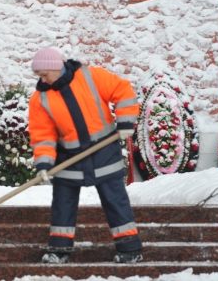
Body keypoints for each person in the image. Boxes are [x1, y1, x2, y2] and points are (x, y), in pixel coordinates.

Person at [28, 48, 142, 264]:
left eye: (45, 74)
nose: (42, 79)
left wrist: (126, 121)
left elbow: (123, 91)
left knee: (115, 200)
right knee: (63, 203)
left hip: (104, 152)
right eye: (39, 76)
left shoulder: (92, 76)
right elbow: (43, 135)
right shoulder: (40, 99)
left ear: (56, 68)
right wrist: (44, 163)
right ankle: (58, 251)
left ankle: (129, 249)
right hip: (69, 158)